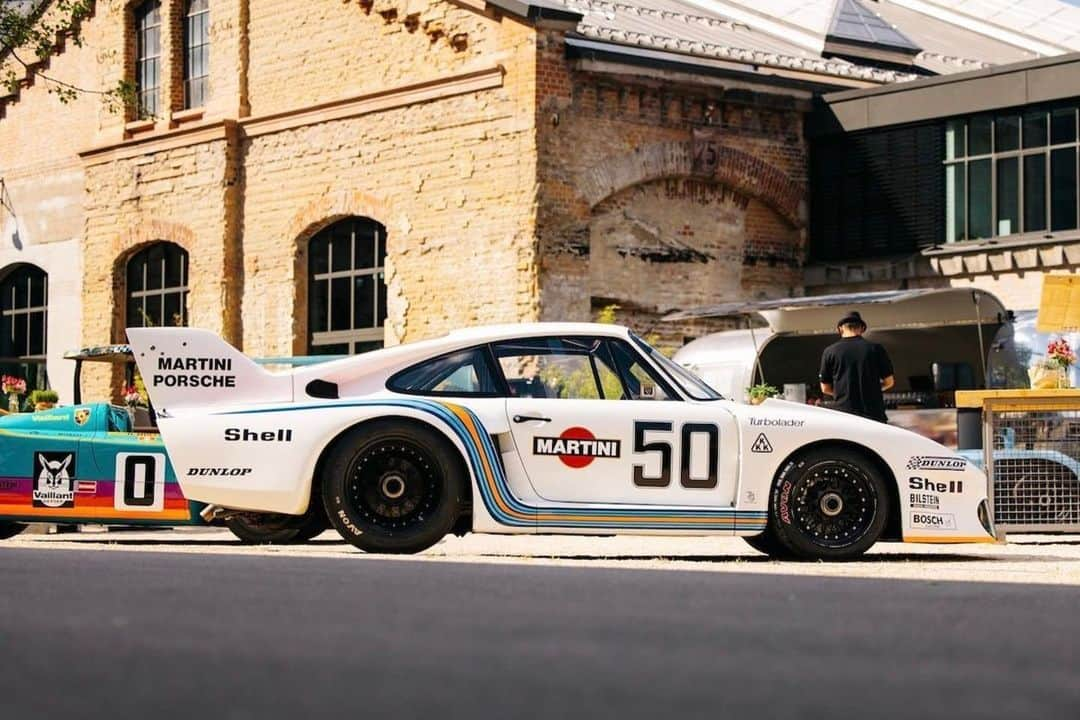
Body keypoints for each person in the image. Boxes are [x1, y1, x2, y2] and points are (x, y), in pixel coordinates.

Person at [819, 311, 895, 423]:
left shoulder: (830, 352)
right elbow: (889, 382)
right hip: (874, 414)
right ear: (862, 328)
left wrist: (846, 393)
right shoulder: (876, 349)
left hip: (845, 415)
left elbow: (825, 388)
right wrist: (872, 390)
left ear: (840, 329)